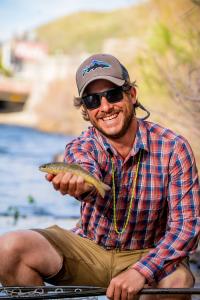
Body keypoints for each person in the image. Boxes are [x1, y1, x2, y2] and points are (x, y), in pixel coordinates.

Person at [0, 53, 199, 300]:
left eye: (113, 94)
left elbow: (187, 226)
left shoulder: (174, 148)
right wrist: (81, 186)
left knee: (179, 281)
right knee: (7, 248)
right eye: (93, 100)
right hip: (88, 249)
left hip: (148, 253)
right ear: (85, 109)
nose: (105, 107)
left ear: (132, 95)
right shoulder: (80, 146)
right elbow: (85, 169)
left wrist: (141, 272)